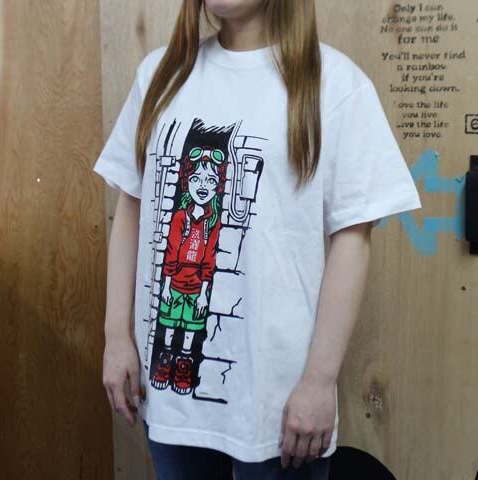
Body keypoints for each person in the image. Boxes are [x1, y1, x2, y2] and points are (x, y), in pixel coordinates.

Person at [92, 0, 422, 478]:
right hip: (170, 404)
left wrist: (319, 381)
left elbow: (353, 236)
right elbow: (131, 207)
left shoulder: (334, 84)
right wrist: (116, 337)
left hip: (278, 408)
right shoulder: (160, 76)